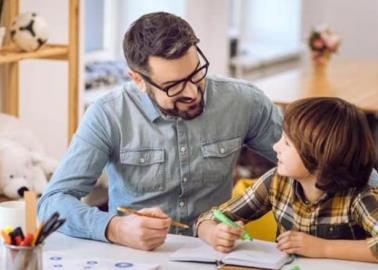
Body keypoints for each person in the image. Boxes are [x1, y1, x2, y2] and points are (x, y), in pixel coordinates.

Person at [37, 12, 282, 250]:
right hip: (136, 258)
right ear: (138, 80)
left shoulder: (244, 101)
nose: (192, 93)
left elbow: (308, 160)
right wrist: (116, 228)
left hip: (216, 254)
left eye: (196, 73)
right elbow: (52, 202)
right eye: (173, 86)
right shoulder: (107, 115)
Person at [196, 97, 378, 262]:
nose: (275, 147)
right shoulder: (276, 182)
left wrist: (323, 248)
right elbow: (209, 217)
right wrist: (213, 233)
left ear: (320, 157)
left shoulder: (360, 196)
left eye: (287, 143)